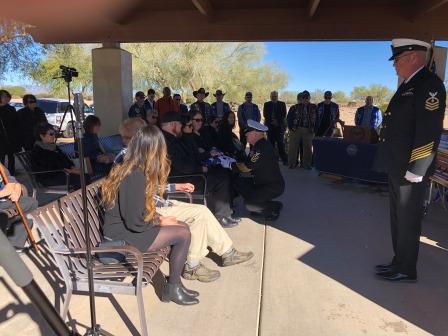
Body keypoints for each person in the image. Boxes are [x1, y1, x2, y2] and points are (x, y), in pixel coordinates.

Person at [115, 120, 253, 282]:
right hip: (151, 210)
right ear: (141, 137)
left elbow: (150, 187)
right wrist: (158, 218)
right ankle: (195, 265)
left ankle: (225, 253)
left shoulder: (135, 155)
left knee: (201, 211)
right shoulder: (128, 160)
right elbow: (135, 201)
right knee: (198, 214)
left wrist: (176, 187)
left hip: (157, 203)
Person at [373, 38, 446, 283]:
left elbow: (428, 130)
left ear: (414, 57)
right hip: (398, 165)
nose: (394, 66)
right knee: (397, 218)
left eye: (397, 60)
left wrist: (418, 167)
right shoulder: (408, 85)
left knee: (408, 219)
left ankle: (407, 269)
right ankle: (399, 262)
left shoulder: (429, 84)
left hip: (410, 168)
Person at [102, 126, 198, 305]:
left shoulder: (134, 168)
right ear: (153, 150)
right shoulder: (133, 174)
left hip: (126, 230)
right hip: (119, 240)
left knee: (183, 227)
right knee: (183, 234)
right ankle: (172, 289)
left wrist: (159, 219)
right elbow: (135, 222)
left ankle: (175, 284)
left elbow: (136, 213)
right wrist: (159, 221)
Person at [161, 111, 240, 228]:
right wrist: (200, 169)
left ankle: (225, 210)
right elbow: (181, 166)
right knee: (221, 178)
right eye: (179, 124)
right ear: (172, 124)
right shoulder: (166, 142)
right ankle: (222, 216)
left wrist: (205, 157)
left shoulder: (173, 138)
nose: (181, 127)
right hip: (181, 179)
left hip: (188, 173)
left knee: (221, 172)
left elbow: (191, 156)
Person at [222, 120, 285, 220]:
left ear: (255, 134)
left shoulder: (261, 148)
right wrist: (231, 160)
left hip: (271, 186)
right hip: (261, 182)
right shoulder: (259, 145)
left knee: (249, 205)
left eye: (247, 134)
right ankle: (257, 203)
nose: (246, 136)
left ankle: (274, 206)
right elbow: (248, 161)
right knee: (237, 183)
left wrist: (229, 164)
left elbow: (247, 167)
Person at [31, 123, 90, 190]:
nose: (54, 136)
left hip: (62, 173)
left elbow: (64, 159)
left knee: (85, 176)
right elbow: (48, 167)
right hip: (49, 178)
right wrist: (68, 170)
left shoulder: (52, 146)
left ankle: (81, 197)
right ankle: (79, 198)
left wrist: (72, 167)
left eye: (54, 133)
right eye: (51, 134)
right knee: (83, 179)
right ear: (42, 136)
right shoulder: (38, 151)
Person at [0, 163, 38, 251]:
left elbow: (10, 178)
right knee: (3, 215)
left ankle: (14, 243)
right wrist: (3, 193)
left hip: (5, 201)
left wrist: (16, 187)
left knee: (31, 202)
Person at [286, 91, 317, 169]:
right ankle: (292, 164)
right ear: (301, 98)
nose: (305, 99)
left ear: (309, 98)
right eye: (304, 98)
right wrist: (290, 127)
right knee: (293, 148)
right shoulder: (294, 107)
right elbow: (289, 118)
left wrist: (315, 129)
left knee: (308, 149)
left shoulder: (314, 107)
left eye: (307, 97)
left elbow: (318, 119)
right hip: (296, 130)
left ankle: (306, 165)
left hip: (309, 130)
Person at [263, 91, 288, 165]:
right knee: (271, 145)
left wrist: (277, 121)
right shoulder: (266, 104)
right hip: (270, 127)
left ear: (277, 96)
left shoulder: (282, 104)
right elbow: (265, 114)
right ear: (270, 96)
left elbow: (284, 114)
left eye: (275, 96)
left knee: (280, 144)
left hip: (279, 127)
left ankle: (285, 160)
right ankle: (271, 161)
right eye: (272, 96)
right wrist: (272, 121)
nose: (274, 97)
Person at [0, 90, 20, 175]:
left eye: (7, 96)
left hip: (10, 137)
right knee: (1, 158)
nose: (6, 98)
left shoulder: (11, 109)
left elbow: (16, 123)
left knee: (11, 156)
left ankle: (11, 173)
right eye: (4, 96)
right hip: (1, 138)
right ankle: (2, 175)